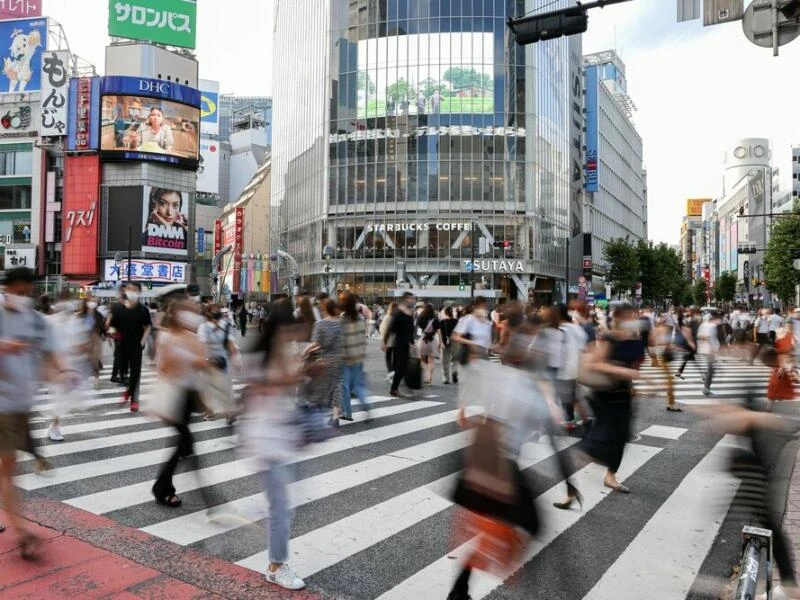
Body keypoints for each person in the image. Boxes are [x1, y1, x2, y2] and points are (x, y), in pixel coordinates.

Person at [0, 267, 72, 559]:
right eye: (16, 291)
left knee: (7, 466)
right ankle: (21, 530)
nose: (21, 297)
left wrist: (63, 370)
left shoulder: (36, 320)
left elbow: (50, 351)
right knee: (7, 465)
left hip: (21, 405)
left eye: (26, 292)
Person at [242, 299, 307, 591]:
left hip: (283, 438)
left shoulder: (286, 352)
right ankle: (276, 565)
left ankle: (270, 529)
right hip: (264, 440)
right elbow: (263, 388)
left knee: (286, 505)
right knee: (281, 507)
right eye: (289, 326)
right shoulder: (261, 356)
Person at [578, 303, 644, 493]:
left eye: (633, 316)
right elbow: (595, 365)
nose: (632, 320)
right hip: (605, 393)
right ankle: (588, 451)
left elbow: (635, 367)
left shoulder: (636, 340)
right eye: (628, 317)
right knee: (606, 430)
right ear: (617, 318)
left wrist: (634, 383)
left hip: (624, 393)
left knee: (622, 435)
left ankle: (610, 475)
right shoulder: (610, 339)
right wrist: (624, 371)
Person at [151, 299, 212, 508]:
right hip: (173, 396)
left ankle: (165, 488)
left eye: (196, 311)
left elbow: (200, 371)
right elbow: (163, 368)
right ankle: (164, 489)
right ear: (177, 315)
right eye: (189, 310)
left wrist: (204, 400)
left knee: (185, 445)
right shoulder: (169, 338)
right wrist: (182, 366)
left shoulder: (196, 338)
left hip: (188, 397)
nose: (194, 314)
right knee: (185, 442)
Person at [108, 282, 152, 412]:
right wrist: (112, 331)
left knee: (135, 372)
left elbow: (148, 326)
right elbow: (112, 324)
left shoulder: (143, 309)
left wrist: (143, 340)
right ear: (125, 291)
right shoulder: (117, 308)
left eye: (134, 289)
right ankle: (129, 390)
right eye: (129, 289)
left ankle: (134, 400)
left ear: (139, 292)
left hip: (136, 345)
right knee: (122, 371)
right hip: (121, 345)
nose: (131, 291)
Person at [198, 303, 241, 424]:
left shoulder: (226, 325)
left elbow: (230, 344)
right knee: (207, 387)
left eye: (218, 310)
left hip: (222, 359)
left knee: (225, 386)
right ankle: (209, 411)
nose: (217, 312)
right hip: (208, 358)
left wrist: (235, 358)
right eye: (214, 310)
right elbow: (201, 344)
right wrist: (205, 360)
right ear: (208, 312)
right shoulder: (203, 327)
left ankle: (230, 412)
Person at [308, 299, 344, 424]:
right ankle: (335, 417)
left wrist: (304, 352)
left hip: (326, 359)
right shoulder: (342, 323)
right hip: (340, 359)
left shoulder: (320, 324)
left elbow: (316, 344)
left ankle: (312, 414)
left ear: (325, 310)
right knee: (337, 387)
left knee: (320, 386)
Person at [339, 292, 371, 421]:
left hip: (346, 357)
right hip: (358, 356)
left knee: (344, 386)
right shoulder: (360, 318)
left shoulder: (343, 318)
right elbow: (363, 337)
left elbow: (341, 339)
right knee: (358, 385)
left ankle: (347, 412)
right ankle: (366, 405)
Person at [388, 293, 416, 397]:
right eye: (411, 298)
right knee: (401, 367)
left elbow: (410, 330)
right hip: (399, 344)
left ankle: (398, 388)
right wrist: (385, 342)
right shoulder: (399, 312)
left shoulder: (410, 313)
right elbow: (391, 328)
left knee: (403, 366)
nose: (413, 300)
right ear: (405, 299)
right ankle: (395, 388)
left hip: (406, 344)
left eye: (414, 298)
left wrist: (412, 342)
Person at [767, 325, 796, 404]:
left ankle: (774, 399)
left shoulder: (789, 338)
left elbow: (790, 353)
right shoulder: (785, 337)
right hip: (779, 365)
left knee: (777, 384)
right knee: (776, 383)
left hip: (781, 364)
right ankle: (771, 402)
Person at [697, 311, 722, 397]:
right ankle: (706, 388)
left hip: (705, 349)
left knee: (711, 368)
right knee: (711, 369)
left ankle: (705, 376)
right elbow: (707, 337)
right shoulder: (711, 326)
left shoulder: (702, 325)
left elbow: (700, 336)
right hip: (710, 350)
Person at [415, 303, 440, 385]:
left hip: (423, 339)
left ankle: (425, 377)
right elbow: (437, 330)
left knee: (422, 360)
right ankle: (430, 378)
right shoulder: (435, 319)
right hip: (432, 340)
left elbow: (417, 330)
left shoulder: (420, 317)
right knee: (431, 361)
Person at [439, 306, 460, 384]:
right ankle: (454, 372)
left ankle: (446, 378)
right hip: (455, 342)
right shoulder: (457, 321)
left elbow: (440, 333)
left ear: (445, 313)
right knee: (455, 359)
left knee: (445, 361)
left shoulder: (442, 322)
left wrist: (441, 342)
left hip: (445, 343)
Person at [380, 302, 397, 378]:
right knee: (395, 358)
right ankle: (394, 371)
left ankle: (391, 371)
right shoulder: (397, 317)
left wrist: (383, 341)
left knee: (388, 358)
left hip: (388, 341)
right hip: (396, 341)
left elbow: (384, 330)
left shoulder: (387, 317)